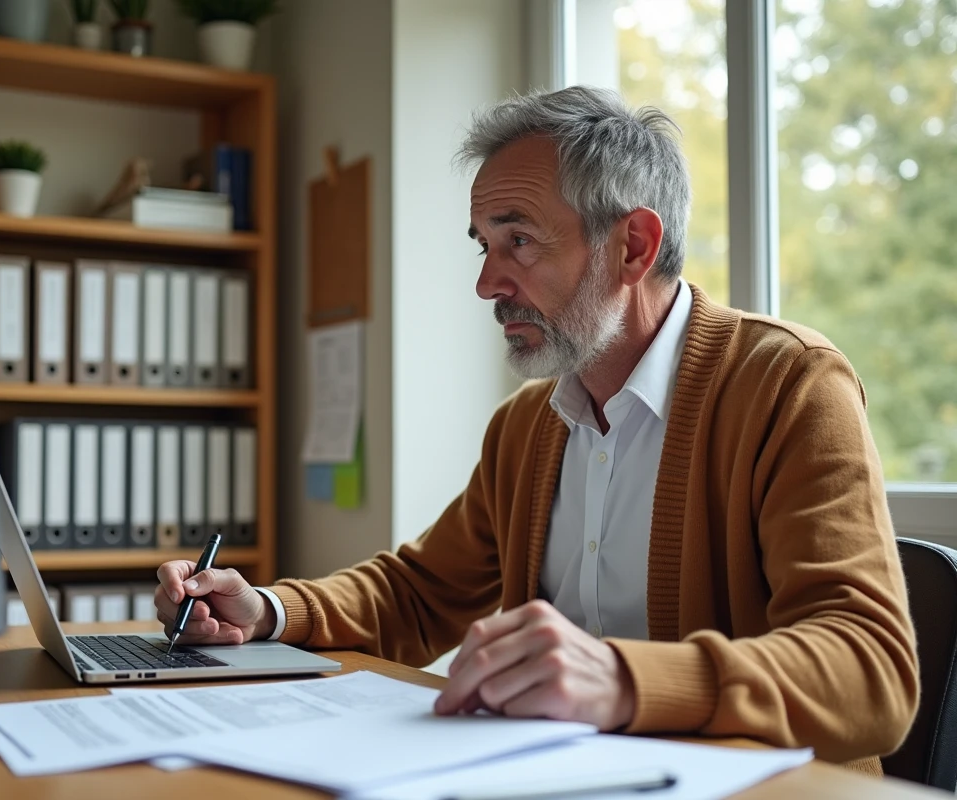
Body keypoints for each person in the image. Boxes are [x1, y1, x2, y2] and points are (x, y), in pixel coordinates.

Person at [154, 86, 919, 775]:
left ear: (634, 247)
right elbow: (419, 594)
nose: (487, 282)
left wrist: (620, 681)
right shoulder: (528, 426)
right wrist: (271, 612)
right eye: (483, 244)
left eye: (517, 239)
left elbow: (872, 671)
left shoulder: (790, 384)